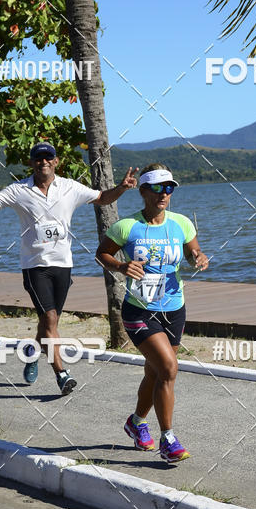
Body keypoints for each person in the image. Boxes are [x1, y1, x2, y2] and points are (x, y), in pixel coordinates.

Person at [0, 142, 137, 394]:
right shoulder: (19, 190)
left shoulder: (70, 187)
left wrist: (122, 187)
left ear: (56, 161)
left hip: (63, 265)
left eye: (48, 158)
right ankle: (62, 374)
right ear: (31, 163)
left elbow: (101, 198)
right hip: (35, 266)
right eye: (38, 158)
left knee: (48, 322)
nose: (43, 162)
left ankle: (32, 352)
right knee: (50, 318)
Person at [96, 163, 209, 463]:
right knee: (169, 369)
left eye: (169, 188)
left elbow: (191, 250)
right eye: (157, 188)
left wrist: (197, 256)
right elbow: (102, 253)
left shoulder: (181, 224)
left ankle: (136, 422)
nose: (164, 194)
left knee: (156, 370)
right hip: (139, 310)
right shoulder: (126, 227)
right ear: (143, 191)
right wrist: (120, 266)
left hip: (174, 308)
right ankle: (168, 439)